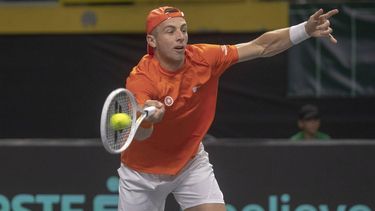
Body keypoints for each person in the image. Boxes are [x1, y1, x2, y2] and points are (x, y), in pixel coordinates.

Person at [118, 6, 339, 211]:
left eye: (183, 30)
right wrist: (148, 119)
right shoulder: (142, 79)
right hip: (142, 174)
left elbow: (261, 46)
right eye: (170, 31)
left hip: (189, 163)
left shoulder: (204, 58)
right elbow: (141, 134)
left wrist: (306, 30)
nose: (180, 36)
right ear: (152, 41)